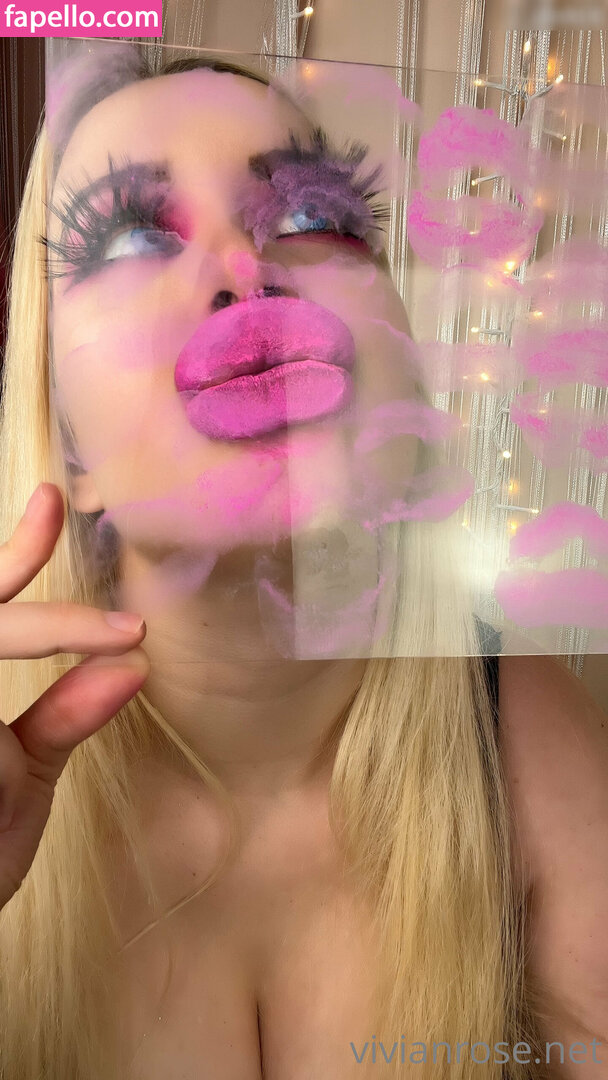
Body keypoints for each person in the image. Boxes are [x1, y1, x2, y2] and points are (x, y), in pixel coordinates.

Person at [0, 46, 607, 1080]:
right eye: (130, 236)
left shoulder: (524, 733)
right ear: (69, 444)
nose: (247, 269)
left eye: (314, 215)